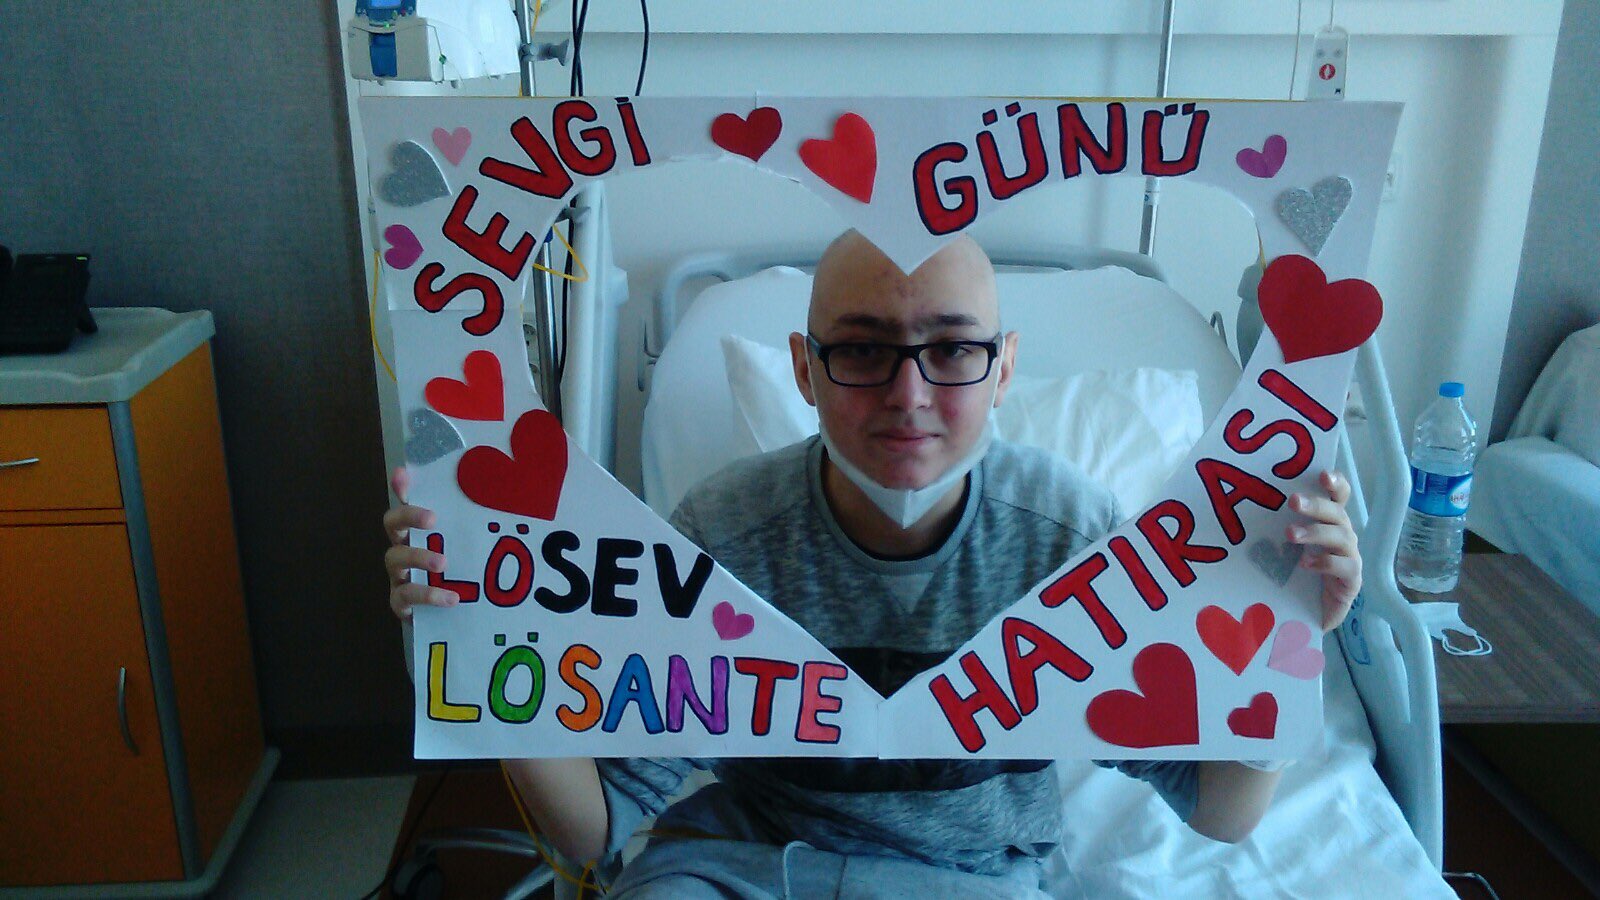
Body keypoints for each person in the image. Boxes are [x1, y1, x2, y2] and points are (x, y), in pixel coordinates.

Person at [383, 230, 1364, 897]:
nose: (909, 393)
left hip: (967, 879)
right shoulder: (726, 532)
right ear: (803, 369)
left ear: (1004, 367)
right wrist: (479, 642)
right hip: (743, 865)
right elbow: (594, 831)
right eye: (861, 351)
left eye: (953, 351)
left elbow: (1223, 810)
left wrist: (1285, 647)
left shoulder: (1069, 540)